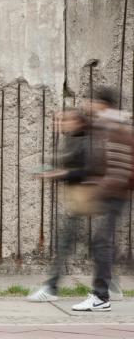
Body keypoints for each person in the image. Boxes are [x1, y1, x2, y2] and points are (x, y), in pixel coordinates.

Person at [69, 88, 131, 311]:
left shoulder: (116, 130)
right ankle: (104, 291)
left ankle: (101, 296)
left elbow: (120, 170)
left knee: (102, 242)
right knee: (103, 243)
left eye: (92, 101)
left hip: (114, 195)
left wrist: (98, 191)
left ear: (103, 104)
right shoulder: (105, 126)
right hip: (110, 193)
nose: (88, 103)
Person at [26, 109, 94, 303]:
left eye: (67, 120)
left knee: (65, 243)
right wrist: (52, 171)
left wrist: (58, 174)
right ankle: (110, 285)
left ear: (79, 123)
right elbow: (66, 165)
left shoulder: (86, 142)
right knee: (95, 246)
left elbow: (85, 172)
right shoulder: (73, 140)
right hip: (77, 200)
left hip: (86, 200)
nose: (63, 122)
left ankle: (51, 287)